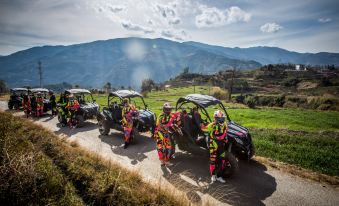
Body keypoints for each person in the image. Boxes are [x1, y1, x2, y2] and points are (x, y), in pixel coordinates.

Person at [202, 110, 228, 183]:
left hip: (221, 145)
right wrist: (203, 125)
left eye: (223, 118)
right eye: (221, 118)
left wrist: (225, 138)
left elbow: (226, 131)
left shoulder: (225, 124)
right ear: (216, 118)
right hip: (213, 145)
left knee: (222, 160)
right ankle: (213, 176)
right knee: (213, 160)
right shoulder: (212, 125)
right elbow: (204, 129)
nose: (223, 120)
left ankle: (219, 176)